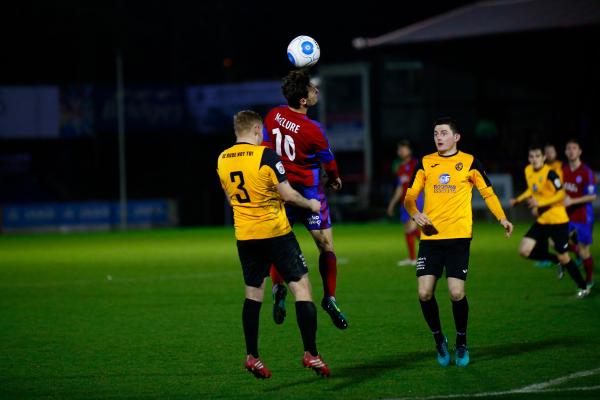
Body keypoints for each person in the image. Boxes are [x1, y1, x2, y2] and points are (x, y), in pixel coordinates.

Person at [216, 110, 330, 379]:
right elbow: (288, 194)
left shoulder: (222, 159)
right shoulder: (266, 155)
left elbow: (231, 199)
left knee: (253, 294)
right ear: (257, 129)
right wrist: (311, 203)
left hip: (245, 236)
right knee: (302, 289)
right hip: (275, 232)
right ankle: (311, 353)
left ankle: (252, 356)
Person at [404, 117, 513, 368]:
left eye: (443, 133)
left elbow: (488, 192)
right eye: (435, 133)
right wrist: (415, 213)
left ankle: (461, 340)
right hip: (430, 238)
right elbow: (410, 197)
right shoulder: (425, 162)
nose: (438, 137)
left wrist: (502, 218)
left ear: (456, 137)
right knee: (424, 292)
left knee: (456, 293)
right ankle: (438, 339)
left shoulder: (470, 162)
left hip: (458, 238)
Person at [262, 69, 348, 329]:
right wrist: (335, 179)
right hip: (310, 193)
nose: (316, 91)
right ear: (303, 100)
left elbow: (265, 149)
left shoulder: (273, 115)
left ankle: (278, 287)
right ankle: (330, 297)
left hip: (282, 192)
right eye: (311, 89)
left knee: (279, 246)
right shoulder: (313, 129)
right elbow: (329, 163)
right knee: (326, 247)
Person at [510, 144, 590, 299]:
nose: (534, 160)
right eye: (532, 157)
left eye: (537, 156)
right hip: (543, 220)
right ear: (529, 158)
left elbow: (561, 194)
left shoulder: (551, 174)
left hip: (558, 221)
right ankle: (555, 261)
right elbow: (531, 189)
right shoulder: (528, 170)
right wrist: (518, 200)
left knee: (564, 257)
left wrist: (541, 203)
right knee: (524, 251)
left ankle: (583, 286)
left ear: (544, 158)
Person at [562, 138, 596, 289]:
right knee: (556, 242)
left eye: (574, 148)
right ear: (565, 152)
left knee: (584, 249)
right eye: (568, 148)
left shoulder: (586, 172)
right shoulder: (562, 170)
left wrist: (572, 201)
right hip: (566, 214)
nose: (571, 151)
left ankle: (589, 279)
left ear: (580, 151)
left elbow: (592, 196)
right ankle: (574, 254)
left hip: (583, 215)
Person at [387, 140, 424, 266]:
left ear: (410, 150)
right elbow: (399, 188)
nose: (400, 151)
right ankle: (413, 258)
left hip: (415, 200)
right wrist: (392, 204)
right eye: (399, 149)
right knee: (408, 229)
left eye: (403, 148)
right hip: (404, 203)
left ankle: (431, 248)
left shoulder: (417, 163)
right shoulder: (401, 168)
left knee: (411, 228)